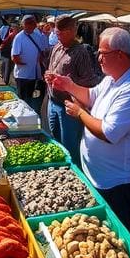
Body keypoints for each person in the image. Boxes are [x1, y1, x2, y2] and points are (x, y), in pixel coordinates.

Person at [46, 27, 130, 229]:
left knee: (117, 232)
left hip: (117, 182)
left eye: (102, 53)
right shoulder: (112, 78)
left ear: (120, 55)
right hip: (99, 175)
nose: (98, 58)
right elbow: (91, 96)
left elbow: (108, 133)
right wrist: (68, 85)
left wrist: (80, 113)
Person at [44, 15, 99, 163]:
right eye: (56, 33)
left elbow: (90, 82)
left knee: (69, 146)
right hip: (53, 102)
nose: (57, 36)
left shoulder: (80, 52)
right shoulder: (57, 47)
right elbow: (51, 68)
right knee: (55, 141)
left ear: (71, 32)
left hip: (68, 107)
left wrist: (67, 83)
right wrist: (49, 75)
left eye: (60, 33)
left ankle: (73, 173)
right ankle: (60, 167)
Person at [11, 14, 49, 104]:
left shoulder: (38, 36)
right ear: (23, 25)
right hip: (22, 75)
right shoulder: (19, 37)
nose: (30, 25)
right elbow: (14, 56)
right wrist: (24, 65)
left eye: (32, 23)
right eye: (28, 23)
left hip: (33, 74)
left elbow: (42, 51)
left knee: (29, 98)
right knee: (22, 99)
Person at [0, 19, 18, 85]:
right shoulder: (7, 31)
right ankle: (6, 81)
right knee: (7, 64)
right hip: (7, 50)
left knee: (6, 64)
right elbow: (3, 40)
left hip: (9, 50)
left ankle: (5, 78)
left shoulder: (5, 29)